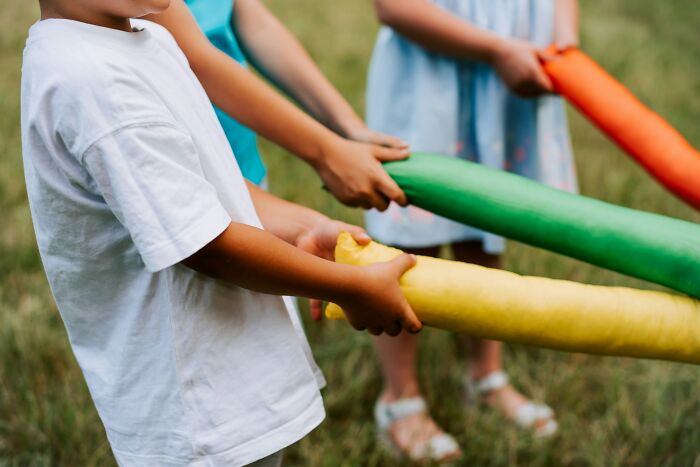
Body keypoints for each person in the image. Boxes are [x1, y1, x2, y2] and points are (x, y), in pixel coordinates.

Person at [21, 0, 423, 464]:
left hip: (228, 374)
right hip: (198, 407)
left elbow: (207, 183)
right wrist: (348, 286)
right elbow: (205, 245)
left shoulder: (149, 39)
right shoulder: (95, 84)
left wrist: (303, 226)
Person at [364, 0, 580, 461]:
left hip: (514, 67)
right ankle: (400, 399)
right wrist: (495, 48)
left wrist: (565, 43)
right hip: (429, 72)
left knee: (487, 218)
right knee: (406, 221)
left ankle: (486, 377)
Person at [147, 0, 410, 211]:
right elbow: (194, 58)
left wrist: (346, 125)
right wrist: (326, 153)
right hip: (175, 172)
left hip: (237, 158)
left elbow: (255, 24)